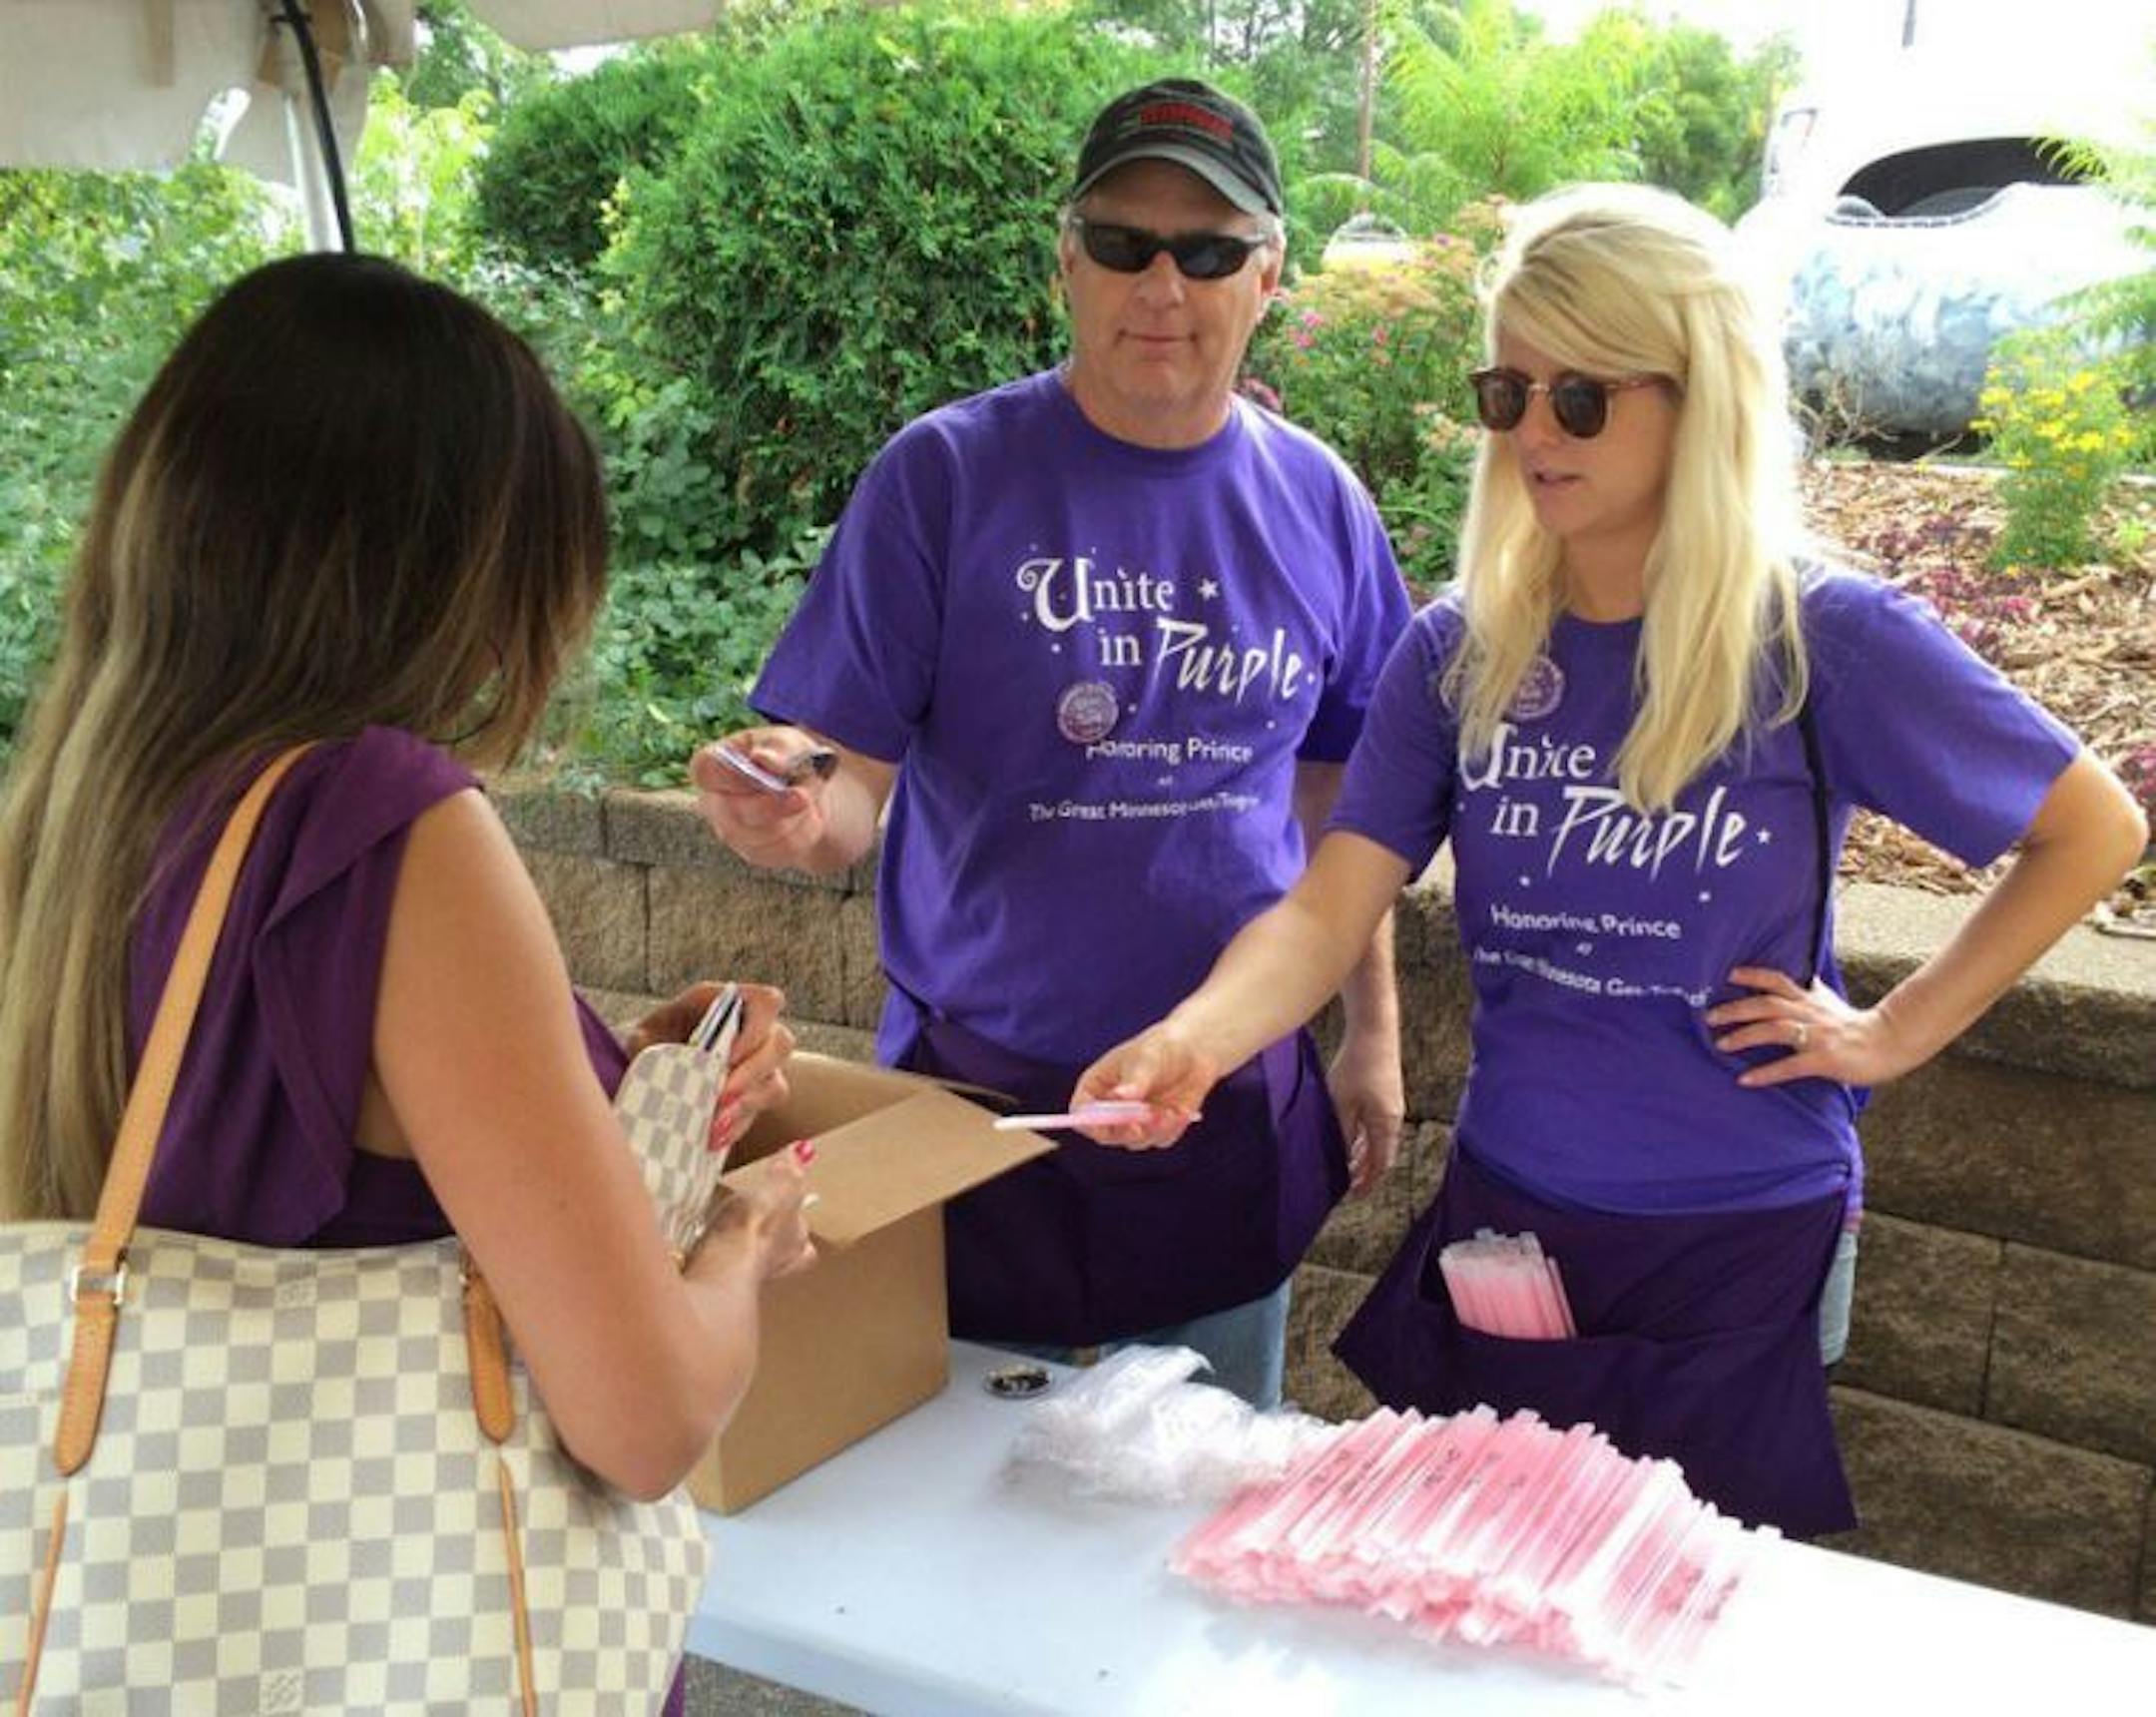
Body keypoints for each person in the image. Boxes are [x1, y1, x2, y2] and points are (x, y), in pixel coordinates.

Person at [1072, 184, 2148, 1533]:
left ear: (1698, 402)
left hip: (1740, 1238)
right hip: (1514, 1215)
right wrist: (1194, 1042)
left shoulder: (1820, 640)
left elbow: (2090, 827)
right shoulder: (1459, 651)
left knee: (1677, 1627)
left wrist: (1895, 1033)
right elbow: (1326, 906)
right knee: (1477, 1603)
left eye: (1581, 398)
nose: (1531, 432)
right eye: (1505, 391)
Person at [0, 257, 814, 1709]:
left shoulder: (74, 813)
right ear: (451, 565)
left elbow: (271, 1131)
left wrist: (603, 1068)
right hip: (409, 1643)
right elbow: (647, 1418)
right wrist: (743, 1242)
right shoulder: (387, 824)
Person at [691, 78, 1413, 1408]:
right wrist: (792, 812)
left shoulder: (1322, 506)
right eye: (1126, 242)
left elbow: (1344, 812)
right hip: (978, 1107)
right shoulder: (945, 478)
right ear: (1067, 258)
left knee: (1197, 1500)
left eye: (1208, 252)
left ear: (1267, 277)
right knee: (957, 1504)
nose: (1163, 286)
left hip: (1225, 1111)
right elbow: (846, 781)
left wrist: (1372, 1031)